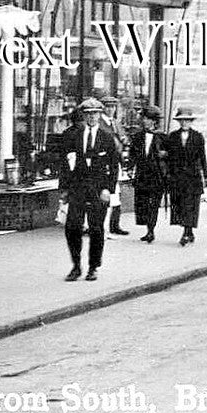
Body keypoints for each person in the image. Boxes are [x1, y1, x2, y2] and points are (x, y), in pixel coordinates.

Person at [60, 98, 119, 281]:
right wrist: (64, 189)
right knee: (72, 227)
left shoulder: (107, 137)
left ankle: (93, 267)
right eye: (88, 114)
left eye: (95, 113)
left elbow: (113, 167)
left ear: (100, 115)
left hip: (98, 189)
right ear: (84, 116)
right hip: (77, 189)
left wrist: (108, 189)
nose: (92, 117)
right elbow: (64, 163)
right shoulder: (73, 136)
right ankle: (76, 266)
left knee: (96, 229)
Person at [164, 108, 207, 245]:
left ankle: (186, 232)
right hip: (177, 176)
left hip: (192, 176)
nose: (184, 123)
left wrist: (205, 176)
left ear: (191, 122)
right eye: (182, 120)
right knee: (180, 204)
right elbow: (168, 156)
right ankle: (188, 231)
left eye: (187, 120)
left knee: (190, 204)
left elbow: (202, 157)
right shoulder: (172, 137)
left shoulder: (197, 137)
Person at [129, 105, 168, 243]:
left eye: (147, 119)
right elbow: (132, 154)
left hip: (157, 175)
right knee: (143, 203)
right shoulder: (138, 136)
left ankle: (151, 230)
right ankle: (147, 229)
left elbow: (173, 155)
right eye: (144, 118)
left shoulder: (163, 137)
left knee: (154, 204)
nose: (144, 121)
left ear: (154, 121)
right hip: (142, 174)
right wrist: (130, 168)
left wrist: (165, 154)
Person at [98, 97, 130, 236]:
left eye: (113, 107)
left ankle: (115, 225)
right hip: (104, 162)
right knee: (106, 192)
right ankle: (103, 225)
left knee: (116, 193)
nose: (111, 109)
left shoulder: (116, 123)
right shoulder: (100, 124)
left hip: (116, 161)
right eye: (108, 107)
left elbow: (123, 139)